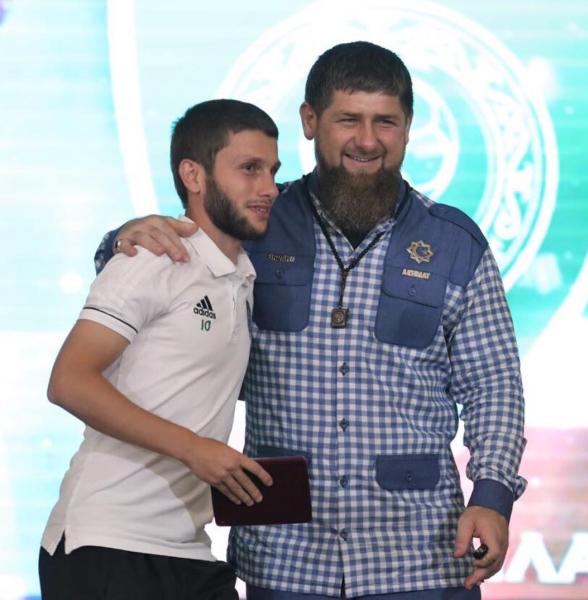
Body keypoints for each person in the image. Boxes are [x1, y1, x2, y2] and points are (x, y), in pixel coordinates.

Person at [96, 42, 527, 600]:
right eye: (348, 119)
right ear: (309, 121)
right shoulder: (255, 221)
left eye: (385, 121)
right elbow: (162, 267)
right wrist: (125, 236)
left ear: (408, 127)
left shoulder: (453, 242)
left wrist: (492, 496)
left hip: (420, 558)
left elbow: (494, 384)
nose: (367, 140)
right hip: (285, 559)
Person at [39, 99, 281, 600]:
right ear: (193, 175)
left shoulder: (243, 278)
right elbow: (68, 381)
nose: (269, 189)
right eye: (249, 169)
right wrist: (194, 449)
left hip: (189, 550)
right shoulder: (153, 257)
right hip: (106, 544)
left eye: (273, 171)